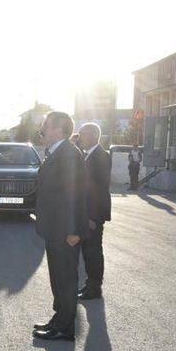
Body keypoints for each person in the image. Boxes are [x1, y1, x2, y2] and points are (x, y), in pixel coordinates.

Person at [33, 111, 88, 342]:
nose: (42, 129)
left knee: (65, 278)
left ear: (58, 130)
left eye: (45, 125)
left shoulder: (69, 154)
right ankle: (59, 319)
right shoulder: (55, 153)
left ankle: (65, 327)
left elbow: (76, 194)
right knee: (58, 277)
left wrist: (75, 230)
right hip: (54, 228)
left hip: (66, 230)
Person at [77, 123, 111, 300]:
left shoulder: (100, 156)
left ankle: (95, 288)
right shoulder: (88, 155)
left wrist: (92, 217)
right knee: (89, 252)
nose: (79, 137)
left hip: (93, 215)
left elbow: (99, 190)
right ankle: (90, 284)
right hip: (87, 213)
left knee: (93, 251)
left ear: (90, 135)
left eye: (82, 134)